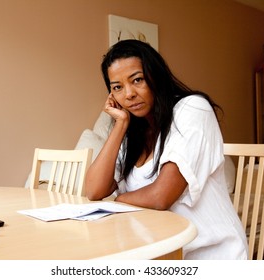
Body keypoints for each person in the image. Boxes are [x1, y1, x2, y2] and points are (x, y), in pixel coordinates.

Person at [85, 39, 248, 259]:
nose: (129, 93)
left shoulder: (193, 109)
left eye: (137, 80)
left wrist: (119, 200)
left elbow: (161, 196)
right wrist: (120, 124)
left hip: (211, 254)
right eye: (118, 87)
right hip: (160, 253)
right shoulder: (132, 130)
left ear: (156, 76)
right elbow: (94, 191)